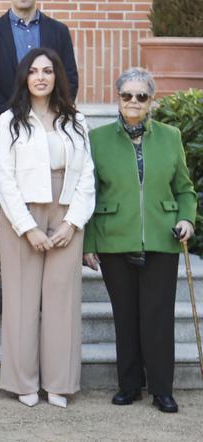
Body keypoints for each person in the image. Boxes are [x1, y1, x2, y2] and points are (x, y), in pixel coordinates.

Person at [83, 68, 196, 414]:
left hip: (163, 238)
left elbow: (185, 189)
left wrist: (187, 218)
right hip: (114, 237)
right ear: (117, 99)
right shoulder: (97, 138)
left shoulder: (171, 136)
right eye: (127, 95)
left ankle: (162, 389)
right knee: (126, 316)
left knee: (158, 317)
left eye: (141, 96)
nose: (133, 102)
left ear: (152, 101)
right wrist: (88, 241)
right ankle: (129, 385)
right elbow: (89, 192)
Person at [0, 0, 79, 315]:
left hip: (52, 135)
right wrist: (15, 118)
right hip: (9, 138)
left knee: (49, 209)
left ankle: (47, 283)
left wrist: (48, 113)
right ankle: (8, 285)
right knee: (4, 210)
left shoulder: (58, 31)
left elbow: (71, 79)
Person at [0, 47, 94, 409]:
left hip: (66, 210)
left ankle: (59, 382)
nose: (40, 77)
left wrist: (73, 222)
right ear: (24, 77)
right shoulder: (9, 121)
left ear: (56, 77)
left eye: (47, 71)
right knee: (21, 301)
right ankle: (23, 382)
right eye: (33, 71)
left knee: (61, 302)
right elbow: (3, 179)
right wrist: (26, 227)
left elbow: (87, 177)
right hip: (23, 213)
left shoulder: (76, 120)